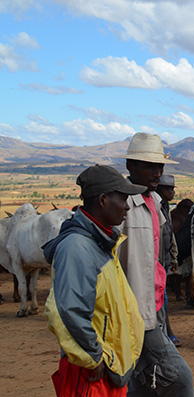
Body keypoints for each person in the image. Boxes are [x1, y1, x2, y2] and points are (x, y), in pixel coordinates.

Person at [44, 164, 146, 396]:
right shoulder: (77, 248)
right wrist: (93, 357)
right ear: (103, 200)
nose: (127, 207)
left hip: (107, 368)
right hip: (91, 372)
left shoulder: (100, 242)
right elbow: (65, 312)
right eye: (123, 198)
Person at [115, 132, 194, 396]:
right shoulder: (121, 206)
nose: (157, 172)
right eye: (149, 166)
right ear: (130, 166)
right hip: (135, 311)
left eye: (159, 166)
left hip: (156, 305)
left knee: (139, 381)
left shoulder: (156, 203)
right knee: (180, 377)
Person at [156, 174, 180, 347]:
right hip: (155, 261)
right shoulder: (154, 206)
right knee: (161, 297)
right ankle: (166, 332)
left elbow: (170, 232)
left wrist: (174, 255)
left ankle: (164, 331)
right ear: (164, 191)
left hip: (164, 259)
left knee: (162, 296)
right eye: (171, 189)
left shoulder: (165, 207)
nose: (173, 192)